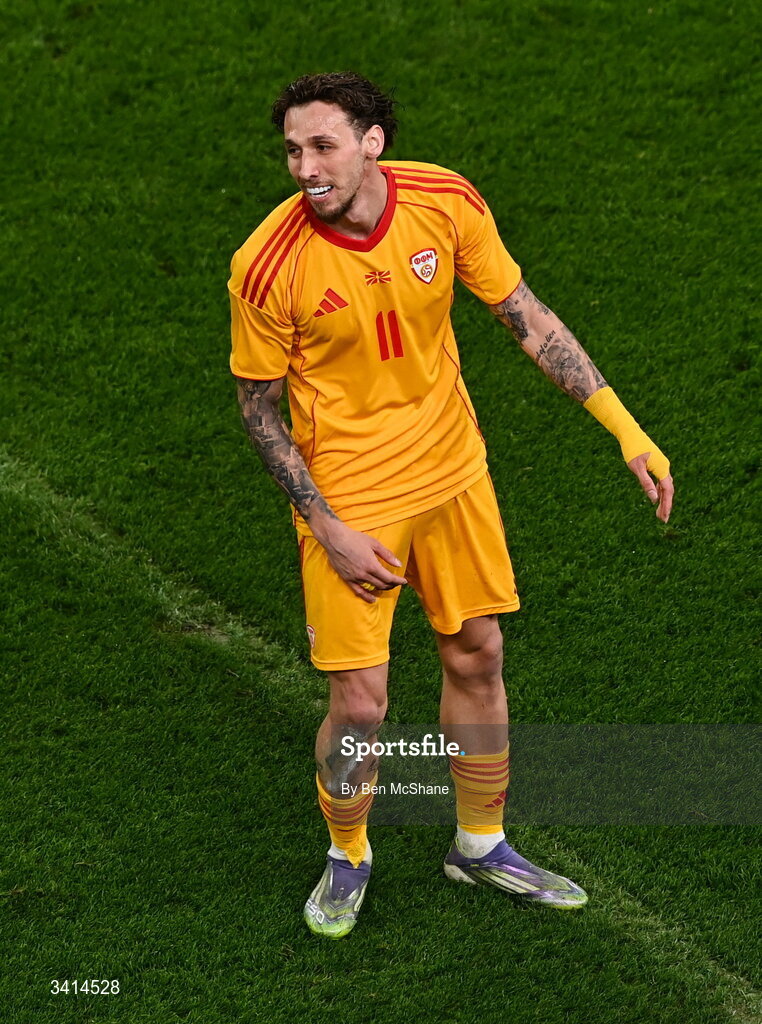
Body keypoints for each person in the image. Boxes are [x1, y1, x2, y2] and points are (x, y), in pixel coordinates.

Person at [228, 71, 674, 939]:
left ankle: (479, 844)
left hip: (452, 471)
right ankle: (348, 853)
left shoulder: (444, 203)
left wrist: (625, 428)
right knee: (361, 705)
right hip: (351, 496)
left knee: (477, 654)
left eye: (322, 146)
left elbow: (526, 316)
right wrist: (327, 526)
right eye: (292, 150)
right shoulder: (267, 264)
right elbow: (258, 411)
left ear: (372, 143)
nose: (305, 168)